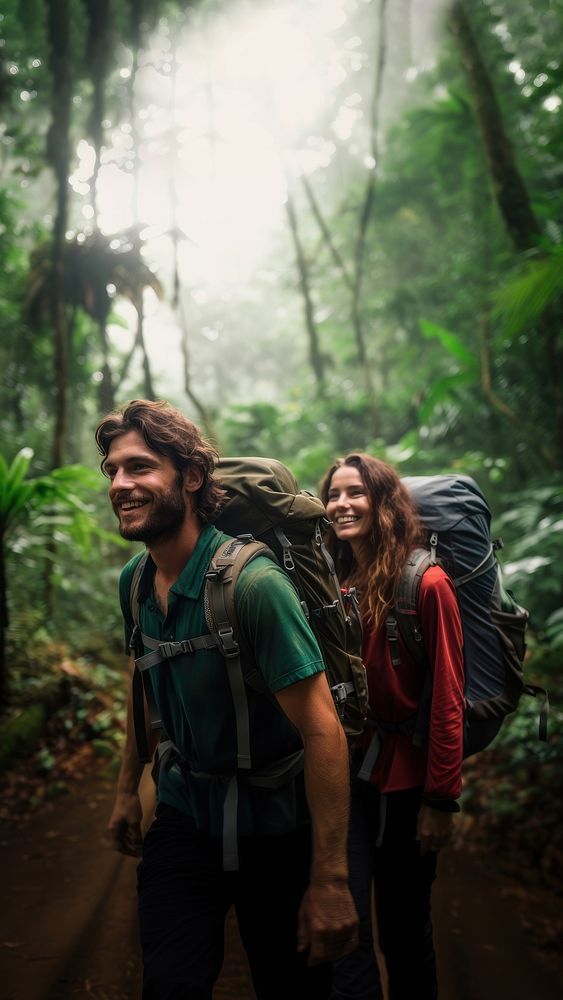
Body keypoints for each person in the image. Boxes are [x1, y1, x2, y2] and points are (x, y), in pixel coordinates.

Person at [96, 399, 358, 1000]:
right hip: (185, 815)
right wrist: (124, 793)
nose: (121, 484)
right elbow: (144, 683)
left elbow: (323, 731)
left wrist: (331, 879)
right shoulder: (134, 583)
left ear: (190, 477)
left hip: (276, 828)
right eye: (113, 470)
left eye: (140, 467)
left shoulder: (254, 586)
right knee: (169, 981)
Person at [320, 453, 465, 1000]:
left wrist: (442, 800)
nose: (341, 504)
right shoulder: (333, 580)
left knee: (405, 934)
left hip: (408, 784)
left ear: (383, 502)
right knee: (347, 926)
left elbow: (449, 699)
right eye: (334, 494)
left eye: (355, 492)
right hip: (348, 777)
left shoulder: (425, 583)